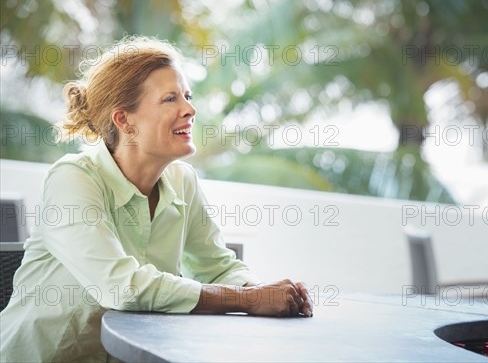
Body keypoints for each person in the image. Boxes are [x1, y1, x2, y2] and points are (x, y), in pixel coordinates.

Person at [0, 36, 313, 362]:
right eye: (170, 99)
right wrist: (246, 300)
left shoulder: (182, 180)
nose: (190, 109)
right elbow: (121, 286)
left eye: (188, 97)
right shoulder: (73, 178)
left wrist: (264, 293)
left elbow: (217, 267)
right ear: (124, 120)